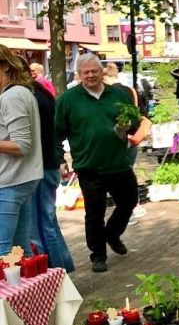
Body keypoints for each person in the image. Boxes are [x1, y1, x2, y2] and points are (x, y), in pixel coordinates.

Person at [54, 54, 138, 273]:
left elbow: (135, 121)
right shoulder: (68, 100)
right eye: (86, 72)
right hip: (89, 165)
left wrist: (129, 125)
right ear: (79, 74)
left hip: (118, 162)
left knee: (129, 201)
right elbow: (56, 133)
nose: (91, 75)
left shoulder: (117, 95)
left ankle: (112, 234)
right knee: (94, 213)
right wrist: (60, 159)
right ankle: (98, 256)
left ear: (102, 72)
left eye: (94, 71)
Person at [17, 58, 74, 272]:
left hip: (39, 168)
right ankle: (64, 268)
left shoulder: (32, 97)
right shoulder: (39, 93)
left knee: (40, 228)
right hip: (46, 165)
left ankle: (56, 275)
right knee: (48, 223)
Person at [0, 46, 44, 256]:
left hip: (10, 181)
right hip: (19, 179)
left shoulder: (12, 96)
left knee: (4, 250)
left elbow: (21, 145)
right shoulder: (19, 92)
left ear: (5, 66)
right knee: (20, 250)